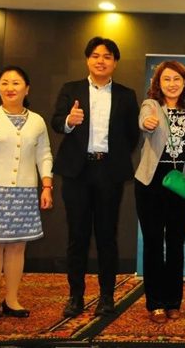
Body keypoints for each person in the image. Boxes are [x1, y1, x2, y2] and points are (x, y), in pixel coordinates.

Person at [51, 37, 139, 318]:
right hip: (77, 172)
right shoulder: (71, 89)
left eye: (107, 56)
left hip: (108, 172)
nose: (101, 60)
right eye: (96, 55)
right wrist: (69, 121)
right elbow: (56, 121)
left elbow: (132, 135)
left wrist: (115, 156)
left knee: (106, 236)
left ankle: (106, 296)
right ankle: (75, 296)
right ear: (88, 59)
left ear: (115, 62)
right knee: (77, 236)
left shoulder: (126, 95)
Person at [0, 66, 53, 321]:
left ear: (27, 89)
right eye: (4, 83)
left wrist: (46, 185)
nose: (10, 88)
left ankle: (12, 299)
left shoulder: (37, 121)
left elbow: (44, 154)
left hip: (24, 192)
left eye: (15, 83)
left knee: (17, 248)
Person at [134, 61, 185, 323]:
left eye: (177, 79)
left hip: (180, 184)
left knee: (175, 244)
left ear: (184, 83)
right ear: (158, 83)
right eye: (166, 79)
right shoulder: (151, 105)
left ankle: (173, 302)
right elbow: (144, 121)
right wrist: (148, 122)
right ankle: (155, 303)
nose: (172, 84)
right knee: (153, 243)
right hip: (151, 183)